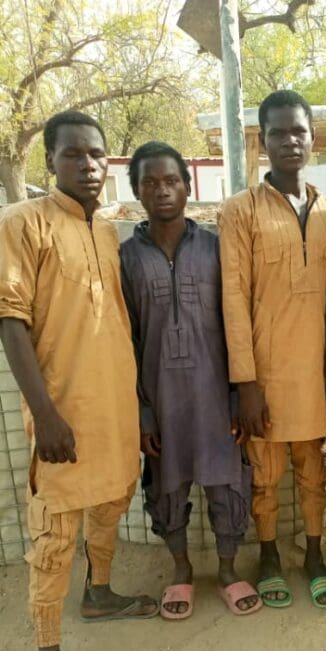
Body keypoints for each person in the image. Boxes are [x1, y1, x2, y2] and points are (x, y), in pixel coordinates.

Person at [0, 111, 158, 651]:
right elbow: (11, 320)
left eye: (97, 155)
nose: (89, 165)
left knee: (113, 500)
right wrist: (47, 415)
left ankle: (99, 592)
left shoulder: (105, 233)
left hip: (115, 408)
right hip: (62, 413)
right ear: (51, 163)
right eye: (74, 155)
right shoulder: (23, 224)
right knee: (55, 529)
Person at [120, 141, 256, 620]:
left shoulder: (217, 248)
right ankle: (180, 569)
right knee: (168, 485)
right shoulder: (126, 258)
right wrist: (141, 411)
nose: (162, 190)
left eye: (171, 180)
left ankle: (225, 569)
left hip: (215, 394)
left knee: (226, 482)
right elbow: (127, 339)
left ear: (188, 185)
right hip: (160, 397)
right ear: (136, 190)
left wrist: (240, 395)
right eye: (150, 182)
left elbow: (239, 324)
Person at [218, 90, 326, 610]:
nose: (290, 140)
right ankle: (268, 555)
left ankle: (314, 554)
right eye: (277, 132)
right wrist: (245, 384)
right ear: (262, 142)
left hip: (316, 374)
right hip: (265, 376)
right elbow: (232, 299)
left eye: (299, 131)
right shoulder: (239, 211)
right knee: (265, 476)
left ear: (313, 137)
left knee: (315, 472)